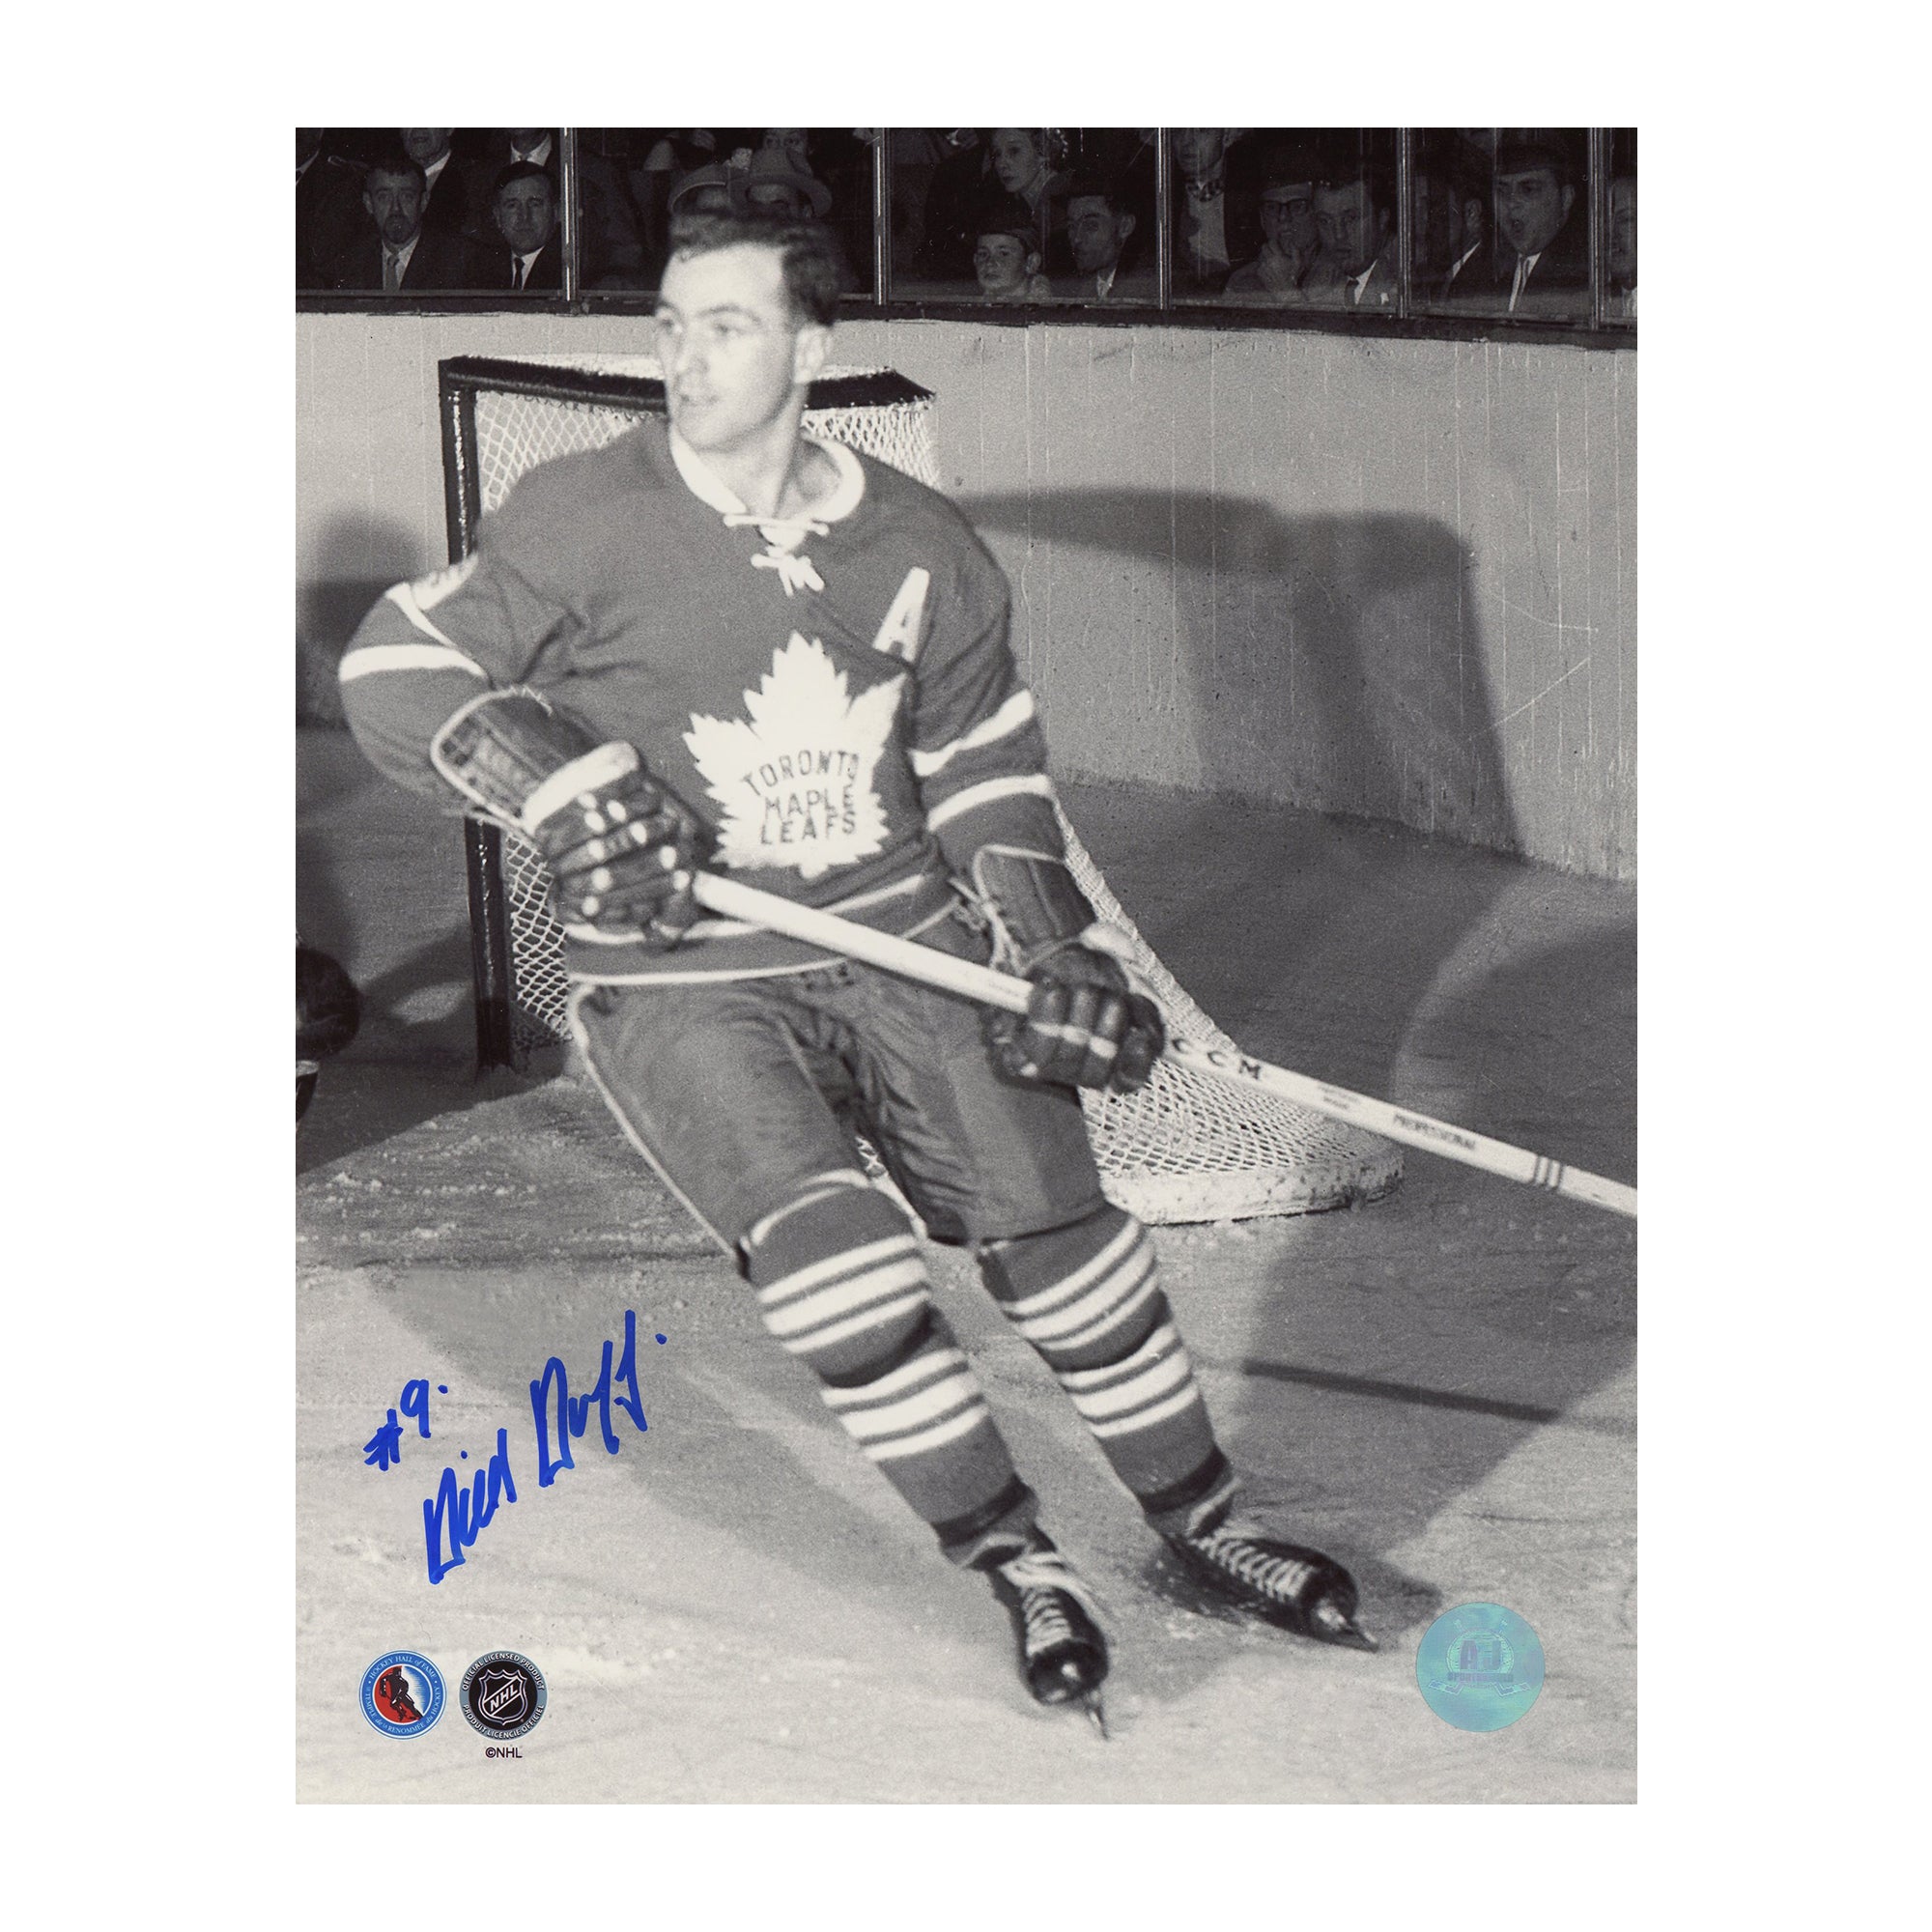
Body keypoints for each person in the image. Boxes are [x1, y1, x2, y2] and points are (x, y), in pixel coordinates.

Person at [338, 213, 1374, 1718]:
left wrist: (1053, 942)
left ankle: (1207, 1523)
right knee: (838, 1269)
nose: (684, 358)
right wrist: (553, 783)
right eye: (672, 323)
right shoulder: (583, 514)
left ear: (813, 349)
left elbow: (980, 767)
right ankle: (1018, 1558)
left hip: (904, 941)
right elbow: (391, 663)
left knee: (1065, 1243)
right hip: (681, 977)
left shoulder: (924, 545)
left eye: (728, 327)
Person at [1446, 137, 1587, 317]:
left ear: (1565, 199)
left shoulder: (1584, 271)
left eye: (1528, 190)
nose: (1511, 203)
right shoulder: (1481, 268)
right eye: (1502, 191)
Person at [325, 149, 476, 293]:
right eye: (384, 197)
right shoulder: (348, 264)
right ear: (369, 203)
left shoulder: (460, 261)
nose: (396, 209)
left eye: (406, 196)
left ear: (423, 201)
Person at [1223, 153, 1321, 303]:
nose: (1283, 217)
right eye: (1272, 207)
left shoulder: (1341, 273)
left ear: (1317, 214)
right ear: (1262, 219)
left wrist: (1284, 288)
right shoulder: (1242, 283)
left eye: (1297, 206)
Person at [1304, 166, 1398, 310]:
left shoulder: (1406, 282)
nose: (1339, 235)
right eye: (1325, 221)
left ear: (1382, 218)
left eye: (1351, 218)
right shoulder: (1317, 280)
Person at [1060, 177, 1154, 302]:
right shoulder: (1083, 288)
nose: (1077, 238)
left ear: (1125, 226)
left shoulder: (1148, 288)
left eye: (1091, 225)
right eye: (1071, 226)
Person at [484, 161, 561, 292]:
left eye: (535, 204)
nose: (524, 216)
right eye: (512, 206)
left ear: (557, 212)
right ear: (497, 216)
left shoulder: (570, 273)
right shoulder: (483, 270)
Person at [972, 203, 1051, 301]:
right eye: (983, 254)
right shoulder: (964, 301)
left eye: (1003, 254)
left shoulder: (1052, 307)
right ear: (974, 260)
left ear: (1032, 262)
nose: (989, 263)